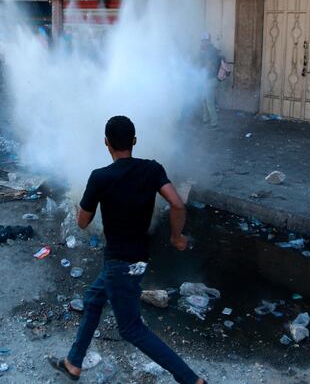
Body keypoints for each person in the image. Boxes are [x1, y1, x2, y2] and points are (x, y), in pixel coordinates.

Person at [49, 116, 207, 384]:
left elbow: (83, 223)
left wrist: (80, 207)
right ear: (134, 141)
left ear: (106, 143)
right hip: (138, 259)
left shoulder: (100, 177)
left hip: (119, 264)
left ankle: (192, 380)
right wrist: (177, 237)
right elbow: (178, 205)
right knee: (92, 299)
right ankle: (74, 362)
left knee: (132, 329)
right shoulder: (152, 169)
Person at [198, 34, 221, 128]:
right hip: (206, 79)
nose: (203, 42)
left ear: (208, 41)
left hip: (210, 79)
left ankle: (214, 122)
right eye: (202, 40)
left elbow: (208, 66)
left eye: (205, 41)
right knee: (204, 100)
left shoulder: (211, 51)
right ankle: (206, 118)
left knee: (209, 101)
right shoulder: (205, 50)